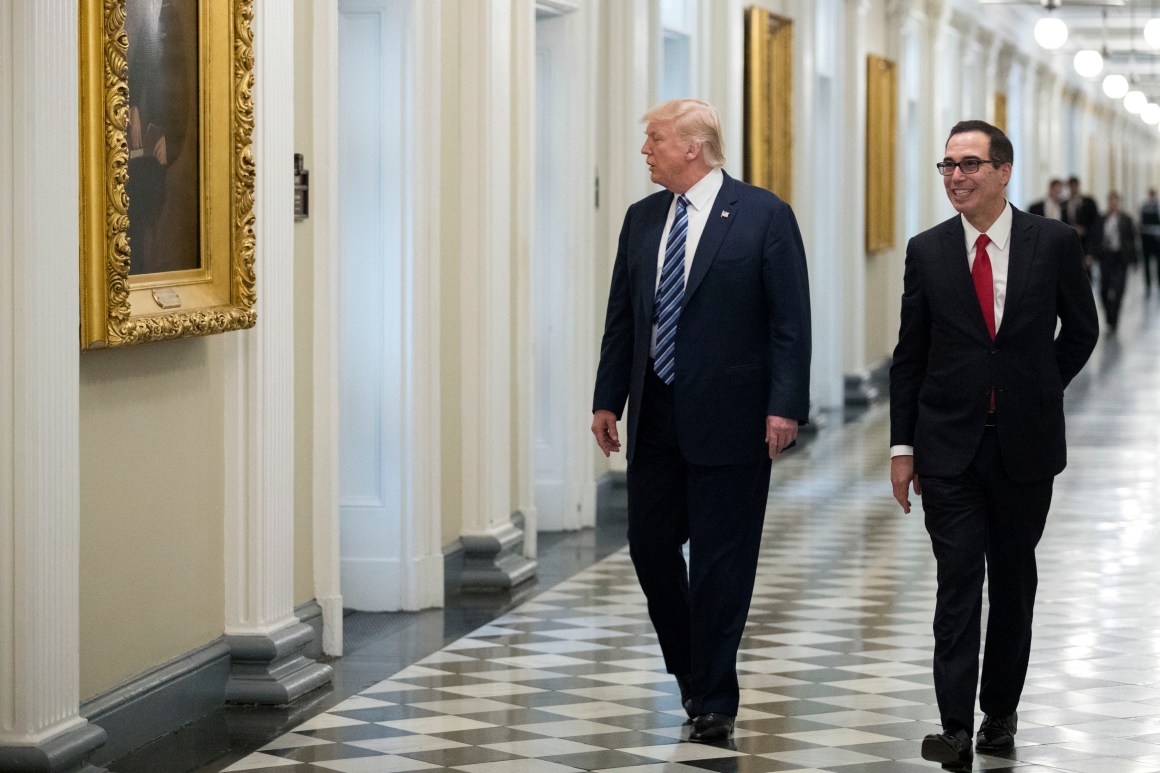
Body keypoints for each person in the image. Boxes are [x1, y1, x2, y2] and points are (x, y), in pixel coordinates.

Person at [591, 98, 811, 743]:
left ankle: (714, 696)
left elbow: (789, 320)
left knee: (721, 561)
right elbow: (624, 319)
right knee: (650, 547)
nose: (645, 151)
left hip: (734, 417)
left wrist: (785, 405)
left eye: (654, 139)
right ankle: (693, 669)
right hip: (656, 411)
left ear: (693, 146)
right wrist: (608, 399)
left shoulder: (763, 214)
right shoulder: (641, 218)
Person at [889, 120, 1098, 770]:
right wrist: (902, 446)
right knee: (957, 579)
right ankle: (953, 726)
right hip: (947, 447)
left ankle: (998, 713)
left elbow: (1082, 329)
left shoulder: (1053, 241)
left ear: (1003, 171)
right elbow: (910, 356)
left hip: (1023, 449)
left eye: (970, 164)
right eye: (948, 164)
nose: (956, 176)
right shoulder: (928, 251)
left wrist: (1036, 389)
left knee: (1012, 579)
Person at [1093, 191, 1136, 333]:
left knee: (1118, 290)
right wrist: (1092, 255)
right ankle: (1108, 316)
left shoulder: (1126, 219)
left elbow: (1131, 240)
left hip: (1120, 258)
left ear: (1118, 202)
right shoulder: (1101, 219)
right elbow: (1095, 238)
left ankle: (1114, 320)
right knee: (1104, 289)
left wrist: (1134, 260)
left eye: (1115, 201)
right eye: (1111, 201)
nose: (1113, 204)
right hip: (1106, 257)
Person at [1062, 175, 1100, 268]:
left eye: (1075, 186)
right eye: (1071, 186)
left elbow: (1095, 225)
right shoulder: (1064, 204)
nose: (1073, 189)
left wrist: (1091, 252)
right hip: (1070, 244)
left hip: (1086, 244)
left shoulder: (1089, 202)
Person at [1139, 188, 1160, 296]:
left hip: (1157, 241)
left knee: (1158, 264)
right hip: (1146, 240)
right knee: (1146, 264)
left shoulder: (1158, 207)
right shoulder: (1144, 207)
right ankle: (1148, 285)